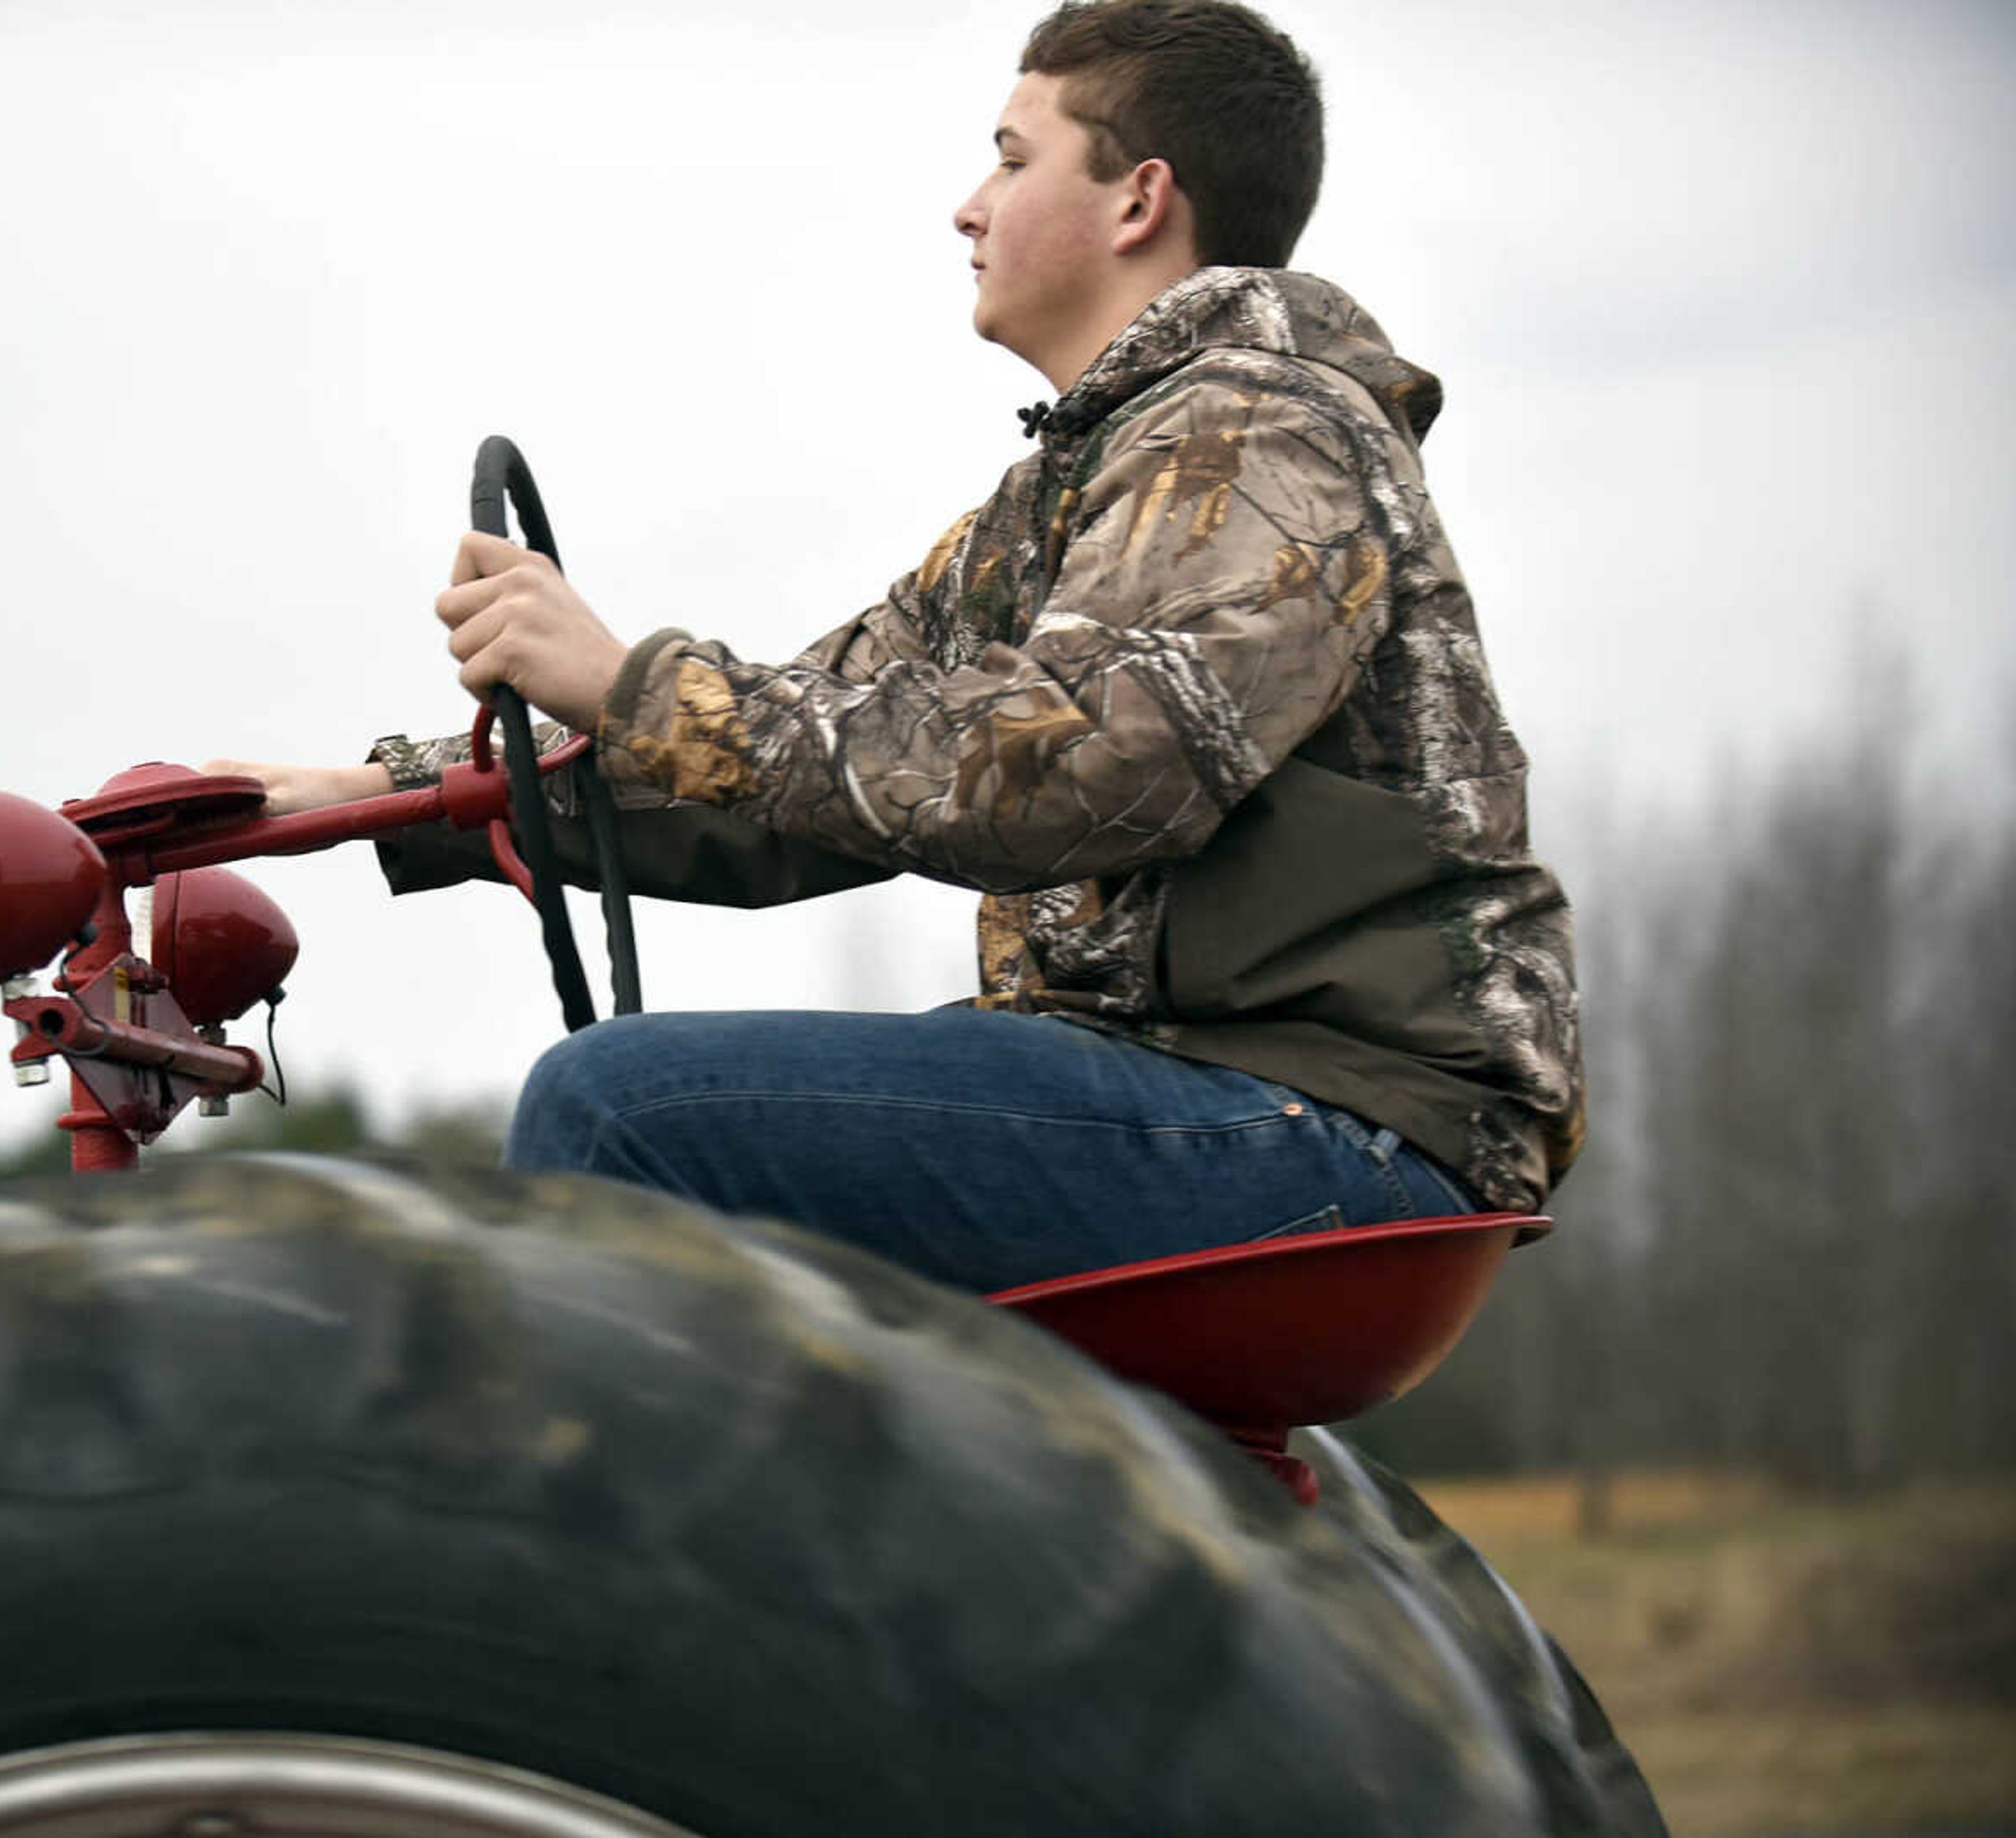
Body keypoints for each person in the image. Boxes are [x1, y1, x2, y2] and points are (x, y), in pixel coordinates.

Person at [214, 0, 1582, 1295]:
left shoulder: (1259, 438)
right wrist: (383, 798)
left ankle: (592, 1548)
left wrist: (634, 682)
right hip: (1216, 1094)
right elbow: (804, 754)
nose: (968, 206)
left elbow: (1076, 771)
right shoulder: (1075, 493)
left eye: (1009, 157)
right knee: (718, 1117)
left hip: (1340, 1123)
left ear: (1138, 200)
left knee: (620, 1109)